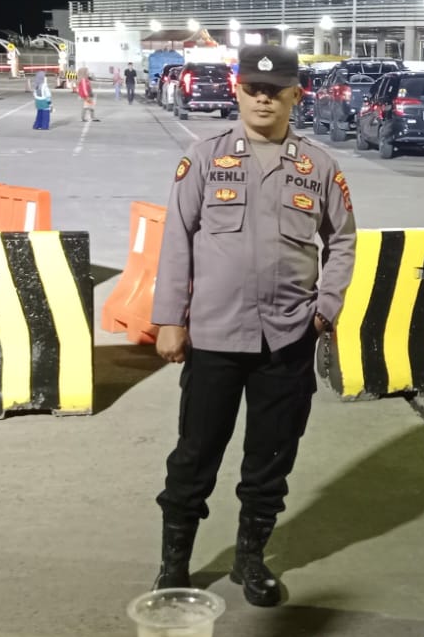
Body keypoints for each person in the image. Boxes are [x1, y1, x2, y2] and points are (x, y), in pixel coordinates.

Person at [151, 44, 356, 606]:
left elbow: (342, 241)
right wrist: (169, 319)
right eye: (253, 89)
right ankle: (174, 566)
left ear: (296, 95)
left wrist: (326, 308)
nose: (263, 99)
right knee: (195, 456)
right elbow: (176, 240)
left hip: (288, 337)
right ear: (238, 91)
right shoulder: (205, 157)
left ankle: (250, 559)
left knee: (270, 459)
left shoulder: (319, 166)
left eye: (275, 91)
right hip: (215, 335)